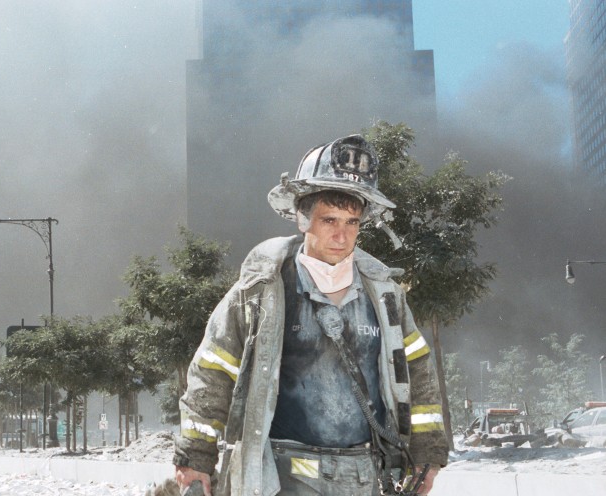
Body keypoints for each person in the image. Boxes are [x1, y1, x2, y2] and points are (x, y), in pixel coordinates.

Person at [173, 134, 449, 495]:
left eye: (352, 222)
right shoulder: (261, 291)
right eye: (329, 220)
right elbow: (213, 373)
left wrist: (427, 451)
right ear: (303, 219)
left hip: (365, 474)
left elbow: (418, 371)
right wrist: (196, 456)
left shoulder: (385, 297)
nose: (341, 235)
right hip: (284, 475)